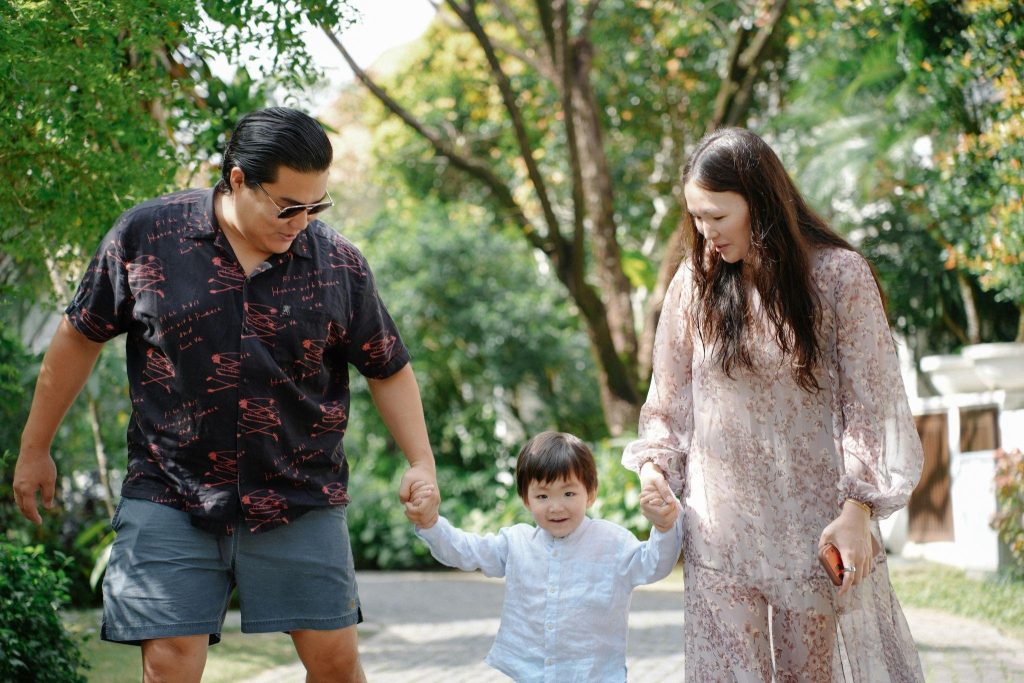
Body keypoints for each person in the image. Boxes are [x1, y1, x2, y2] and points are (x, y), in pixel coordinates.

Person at [12, 107, 438, 683]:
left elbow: (386, 365)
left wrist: (421, 460)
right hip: (171, 489)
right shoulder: (148, 236)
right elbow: (78, 336)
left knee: (335, 664)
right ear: (237, 179)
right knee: (169, 662)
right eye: (289, 206)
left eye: (317, 206)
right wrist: (35, 447)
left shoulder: (338, 264)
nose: (302, 222)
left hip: (299, 491)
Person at [623, 127, 925, 681]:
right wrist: (653, 473)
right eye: (695, 217)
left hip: (812, 532)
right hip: (718, 534)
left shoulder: (837, 277)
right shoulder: (694, 286)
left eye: (717, 215)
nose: (704, 232)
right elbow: (666, 405)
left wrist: (858, 511)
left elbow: (871, 406)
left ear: (759, 201)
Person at [404, 431, 683, 682]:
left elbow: (654, 565)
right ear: (526, 499)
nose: (556, 506)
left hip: (595, 674)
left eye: (569, 492)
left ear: (591, 493)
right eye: (542, 497)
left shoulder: (613, 542)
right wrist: (431, 524)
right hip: (530, 673)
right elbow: (466, 551)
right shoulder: (516, 543)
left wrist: (664, 526)